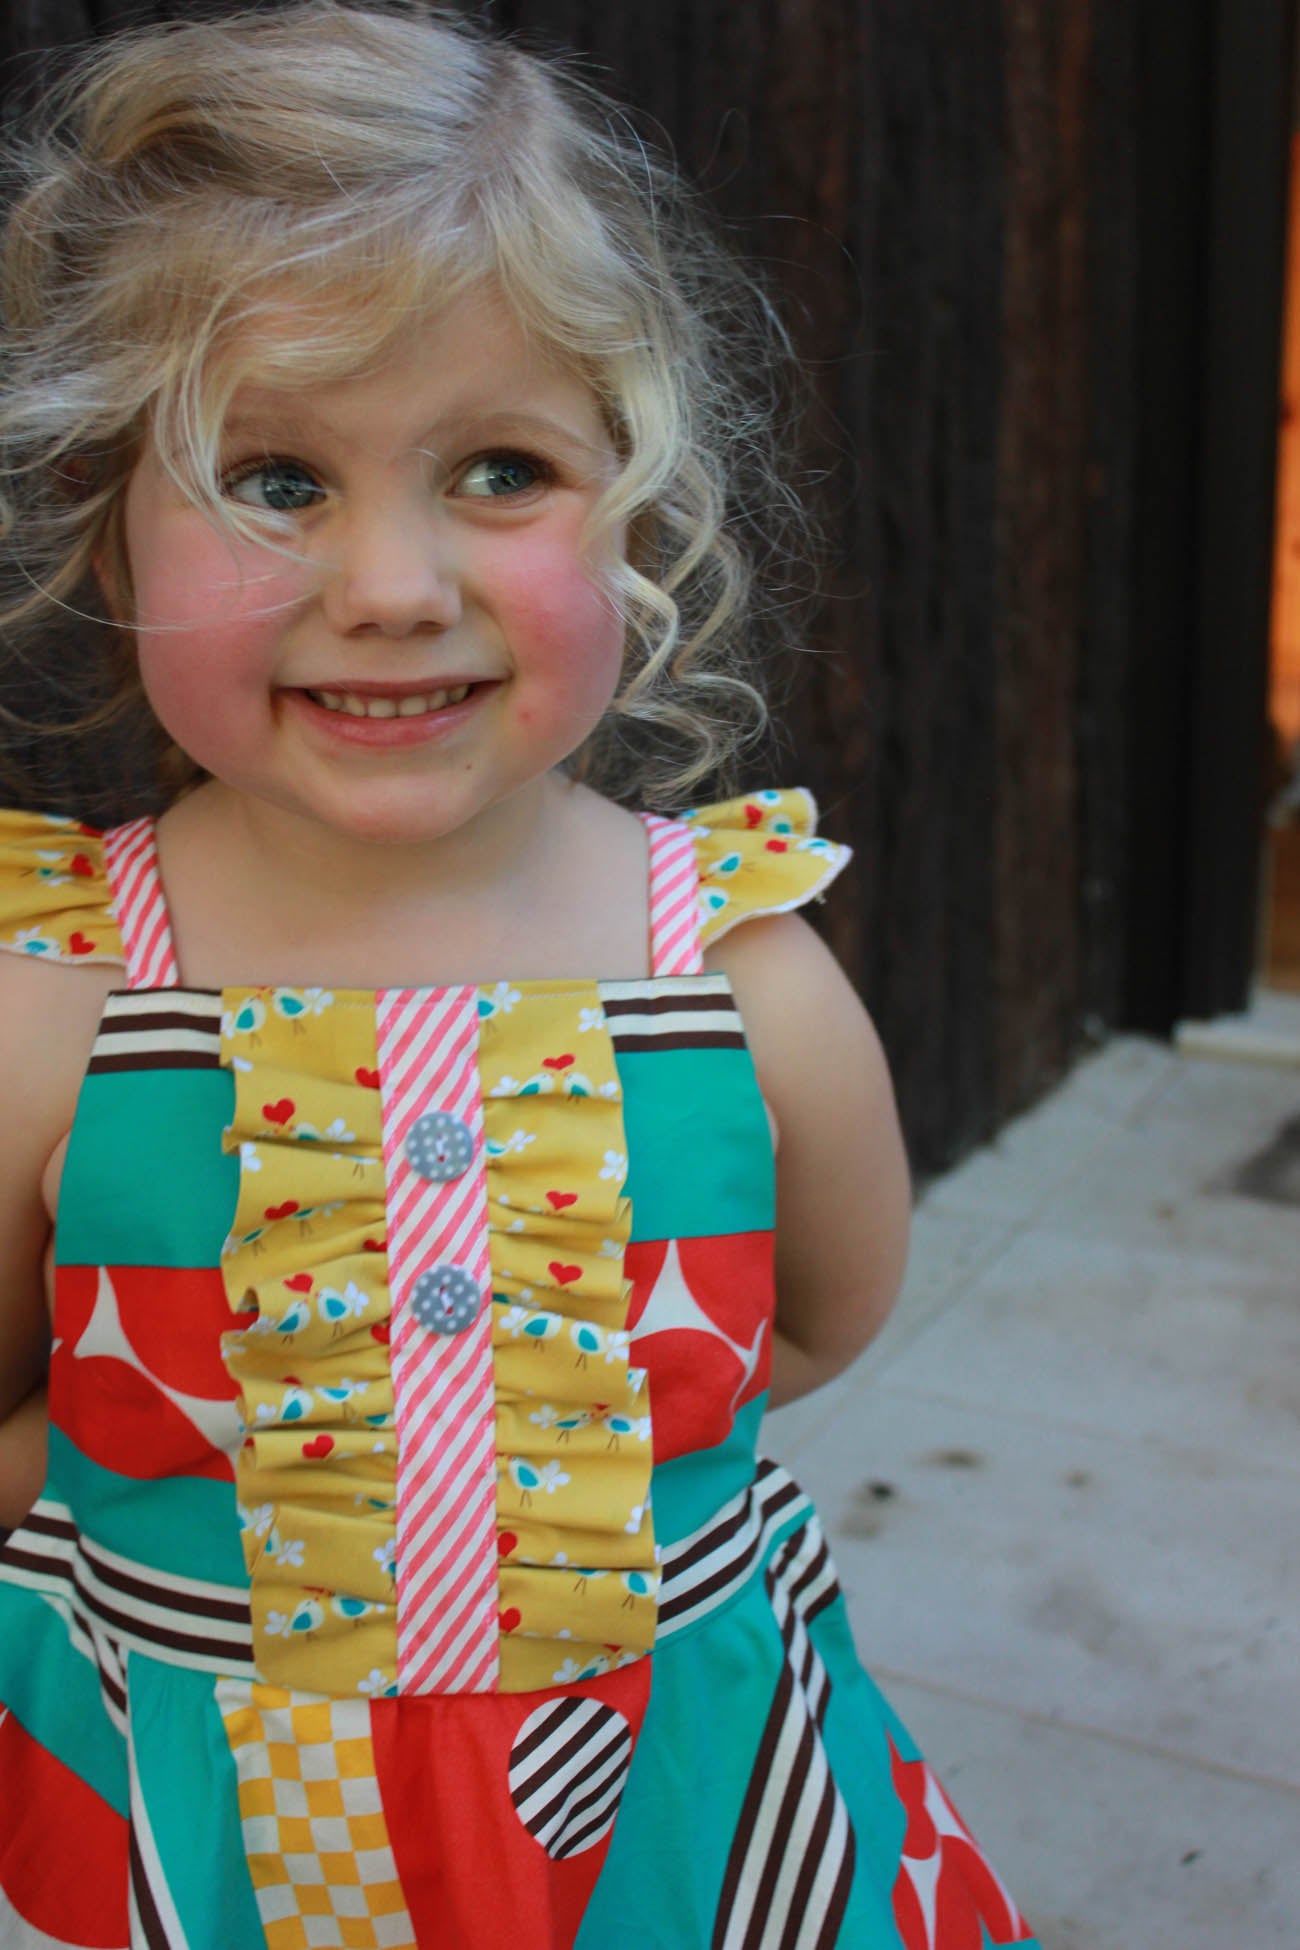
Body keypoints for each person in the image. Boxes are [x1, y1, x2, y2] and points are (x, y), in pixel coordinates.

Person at [0, 6, 1039, 1945]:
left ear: (635, 502)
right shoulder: (58, 997)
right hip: (211, 1836)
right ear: (111, 530)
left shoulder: (737, 968)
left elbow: (819, 1318)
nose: (393, 587)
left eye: (499, 467)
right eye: (274, 478)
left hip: (689, 1805)